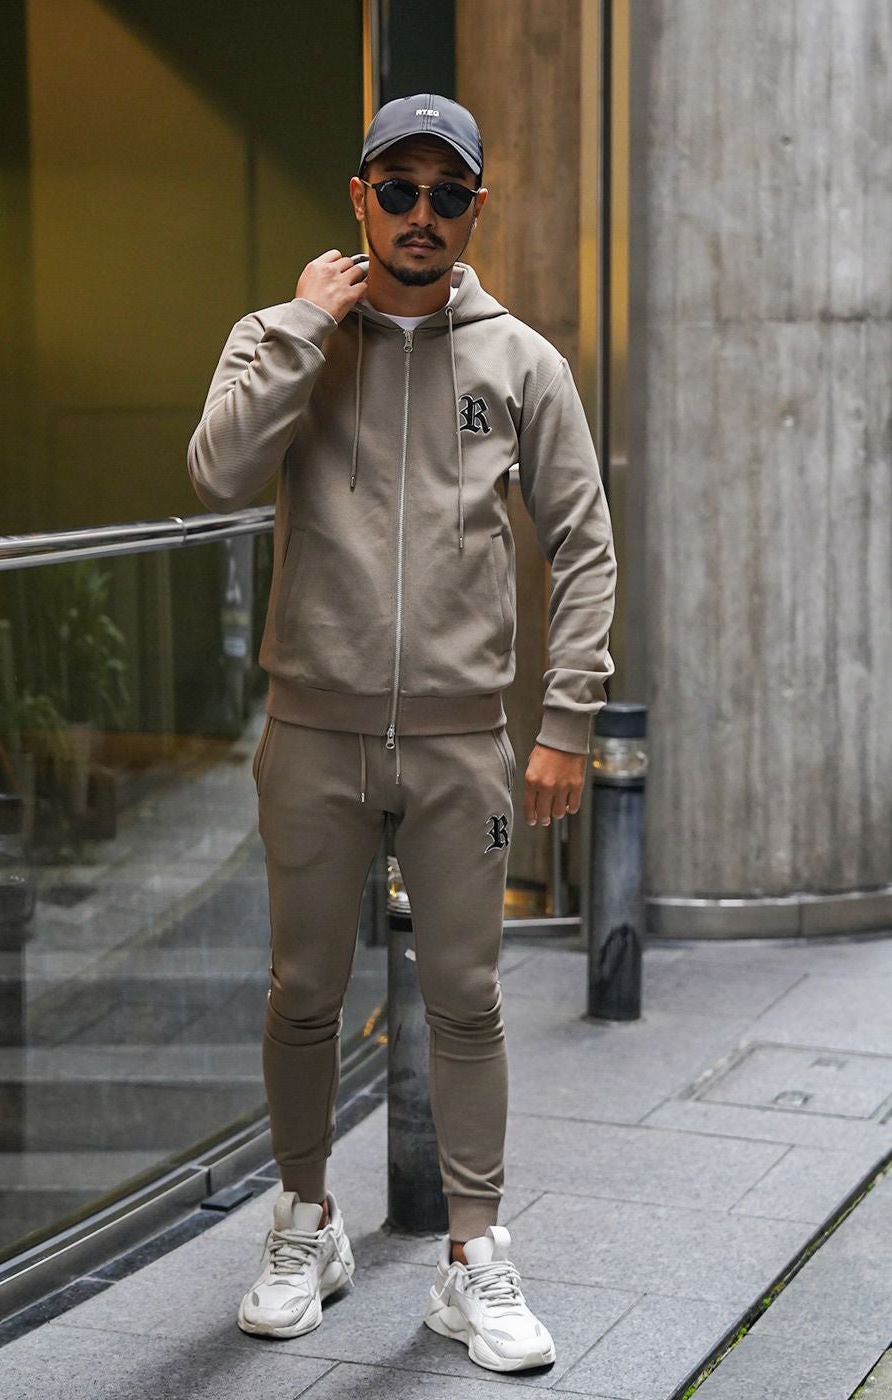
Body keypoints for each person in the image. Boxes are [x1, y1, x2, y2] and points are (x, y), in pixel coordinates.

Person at [187, 93, 617, 1374]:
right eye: (397, 189)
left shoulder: (522, 362)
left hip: (459, 739)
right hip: (312, 732)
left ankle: (472, 1257)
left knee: (467, 998)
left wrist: (565, 721)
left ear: (474, 209)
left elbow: (585, 545)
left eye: (445, 193)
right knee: (302, 993)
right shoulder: (276, 337)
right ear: (359, 198)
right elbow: (215, 473)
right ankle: (303, 1222)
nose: (419, 213)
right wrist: (304, 328)